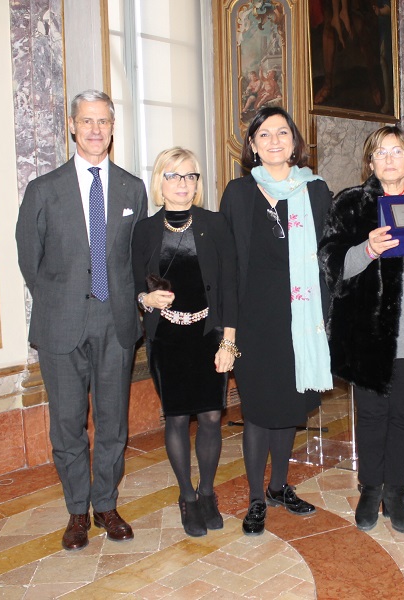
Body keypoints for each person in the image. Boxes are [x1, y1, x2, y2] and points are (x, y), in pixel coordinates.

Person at [16, 90, 147, 551]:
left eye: (103, 121)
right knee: (68, 424)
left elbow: (137, 256)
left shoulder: (132, 188)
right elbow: (30, 259)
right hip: (62, 323)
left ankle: (106, 503)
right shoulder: (44, 189)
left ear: (112, 128)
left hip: (116, 323)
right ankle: (77, 510)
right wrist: (61, 301)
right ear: (72, 126)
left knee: (113, 423)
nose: (95, 129)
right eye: (87, 121)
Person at [319, 126, 404, 533]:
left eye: (398, 151)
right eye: (381, 152)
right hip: (367, 334)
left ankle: (395, 492)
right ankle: (370, 488)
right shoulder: (350, 205)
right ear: (371, 162)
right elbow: (332, 266)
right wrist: (368, 249)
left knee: (402, 416)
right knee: (373, 414)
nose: (390, 159)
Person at [219, 106, 333, 537]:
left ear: (294, 141)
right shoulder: (238, 193)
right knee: (257, 411)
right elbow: (228, 266)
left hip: (300, 320)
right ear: (252, 144)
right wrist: (228, 330)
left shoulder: (316, 191)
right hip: (254, 320)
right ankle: (255, 498)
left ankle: (279, 486)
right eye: (264, 134)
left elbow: (329, 258)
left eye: (282, 132)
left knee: (288, 407)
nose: (274, 141)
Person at [131, 148, 235, 537]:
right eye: (173, 176)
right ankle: (187, 496)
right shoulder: (144, 230)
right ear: (160, 182)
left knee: (210, 417)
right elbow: (134, 285)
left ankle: (207, 493)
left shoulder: (215, 223)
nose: (183, 184)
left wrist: (229, 342)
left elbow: (230, 287)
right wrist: (146, 299)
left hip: (208, 335)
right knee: (176, 417)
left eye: (190, 176)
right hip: (167, 339)